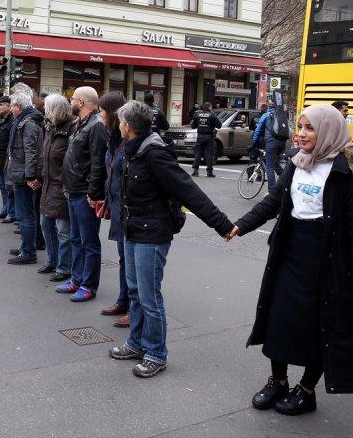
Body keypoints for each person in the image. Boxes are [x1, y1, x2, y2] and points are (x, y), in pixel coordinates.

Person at [227, 104, 353, 415]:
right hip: (289, 250)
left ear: (328, 131)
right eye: (300, 127)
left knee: (317, 324)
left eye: (309, 128)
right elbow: (274, 201)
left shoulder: (348, 170)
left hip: (327, 257)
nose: (300, 134)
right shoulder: (297, 161)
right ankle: (278, 381)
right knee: (278, 316)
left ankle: (307, 390)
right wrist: (241, 225)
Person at [108, 100, 233, 378]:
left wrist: (221, 224)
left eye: (121, 121)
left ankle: (156, 353)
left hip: (152, 234)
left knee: (149, 297)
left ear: (128, 126)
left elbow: (188, 191)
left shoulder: (154, 153)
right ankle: (136, 343)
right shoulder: (130, 149)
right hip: (132, 230)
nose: (119, 125)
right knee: (135, 293)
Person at [57, 86, 108, 301]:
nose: (70, 102)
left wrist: (93, 193)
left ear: (81, 102)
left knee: (89, 241)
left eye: (72, 99)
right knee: (76, 238)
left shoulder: (96, 125)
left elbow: (98, 162)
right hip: (74, 189)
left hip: (85, 192)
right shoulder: (81, 123)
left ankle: (88, 285)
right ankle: (77, 279)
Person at [98, 91, 130, 326]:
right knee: (123, 258)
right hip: (118, 205)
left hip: (130, 210)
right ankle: (123, 300)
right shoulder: (113, 137)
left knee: (131, 261)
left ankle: (134, 308)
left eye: (101, 111)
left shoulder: (128, 141)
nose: (100, 115)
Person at [37, 94, 73, 279]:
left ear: (55, 110)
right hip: (48, 185)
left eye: (47, 107)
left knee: (63, 231)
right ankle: (52, 260)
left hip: (62, 187)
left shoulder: (70, 129)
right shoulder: (50, 127)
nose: (44, 110)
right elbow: (44, 155)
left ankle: (64, 267)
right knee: (46, 225)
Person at [7, 91, 44, 265]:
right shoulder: (25, 120)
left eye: (12, 106)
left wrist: (30, 176)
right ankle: (26, 246)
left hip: (23, 175)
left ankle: (28, 252)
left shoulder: (28, 123)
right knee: (26, 213)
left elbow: (31, 151)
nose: (11, 109)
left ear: (18, 107)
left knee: (25, 215)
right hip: (21, 172)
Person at [0, 95, 15, 222]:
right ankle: (5, 210)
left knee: (8, 187)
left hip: (6, 161)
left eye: (0, 105)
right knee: (2, 186)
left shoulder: (11, 121)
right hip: (0, 160)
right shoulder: (3, 119)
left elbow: (10, 143)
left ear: (8, 106)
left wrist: (7, 160)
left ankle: (11, 213)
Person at [251, 100, 284, 188]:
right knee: (274, 162)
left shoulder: (266, 115)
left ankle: (272, 190)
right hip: (282, 143)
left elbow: (258, 130)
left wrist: (254, 142)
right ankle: (286, 180)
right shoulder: (282, 115)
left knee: (269, 167)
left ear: (270, 105)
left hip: (271, 142)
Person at [191, 102, 221, 177]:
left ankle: (195, 171)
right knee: (209, 154)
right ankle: (209, 172)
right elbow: (219, 125)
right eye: (211, 107)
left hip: (200, 136)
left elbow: (193, 126)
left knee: (198, 153)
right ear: (209, 107)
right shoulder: (212, 115)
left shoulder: (197, 115)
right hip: (209, 137)